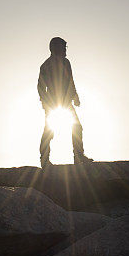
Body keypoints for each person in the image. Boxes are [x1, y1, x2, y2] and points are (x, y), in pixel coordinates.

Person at [37, 37, 92, 166]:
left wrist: (75, 96)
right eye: (63, 47)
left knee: (77, 127)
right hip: (52, 104)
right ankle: (44, 160)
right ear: (55, 48)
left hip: (66, 102)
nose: (65, 50)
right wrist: (45, 103)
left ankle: (79, 156)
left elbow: (70, 81)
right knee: (49, 131)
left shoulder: (66, 63)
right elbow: (40, 86)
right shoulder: (46, 65)